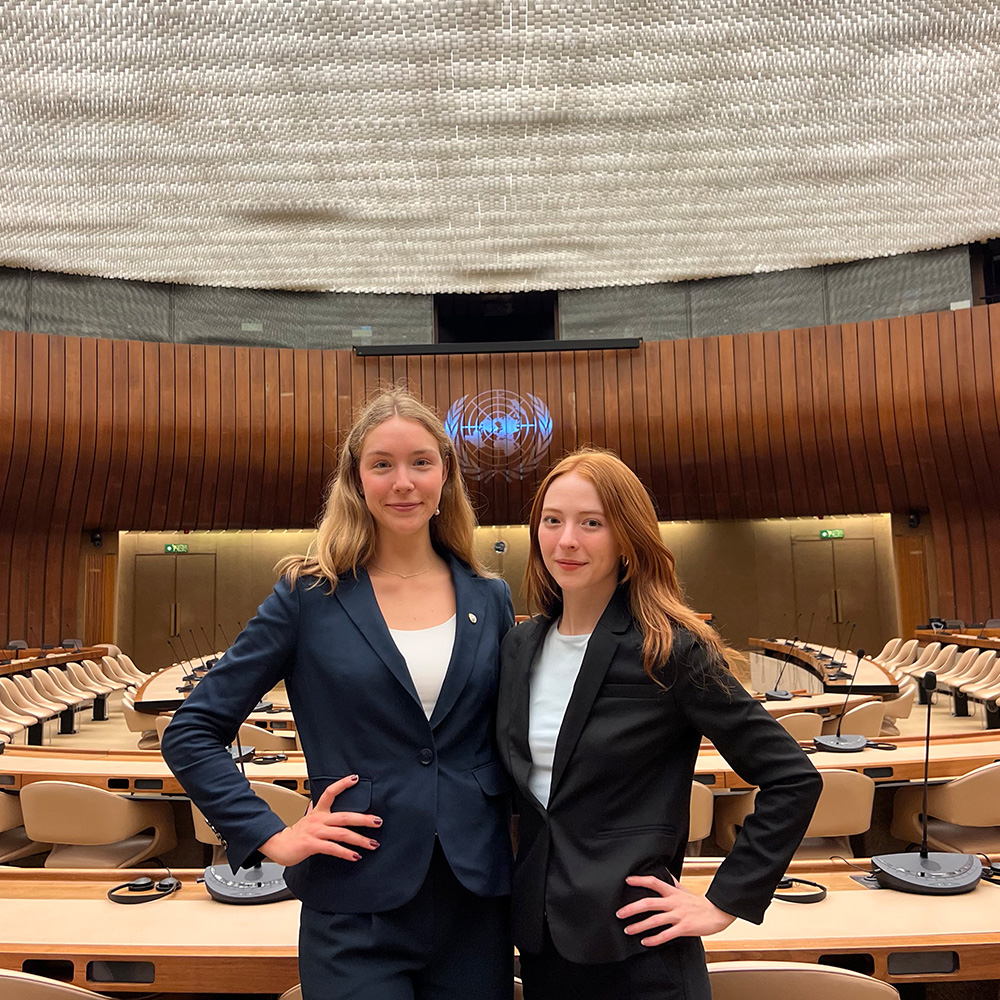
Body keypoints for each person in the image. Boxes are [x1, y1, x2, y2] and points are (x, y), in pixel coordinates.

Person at [161, 387, 515, 1000]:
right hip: (355, 901)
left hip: (474, 899)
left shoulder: (491, 597)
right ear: (356, 479)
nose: (403, 482)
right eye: (382, 464)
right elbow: (192, 732)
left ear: (445, 476)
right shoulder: (308, 596)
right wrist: (272, 836)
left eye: (421, 462)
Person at [496, 448, 822, 1000]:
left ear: (627, 536)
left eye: (591, 523)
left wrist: (724, 902)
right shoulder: (520, 645)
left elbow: (792, 778)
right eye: (552, 521)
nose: (566, 540)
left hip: (639, 947)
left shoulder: (669, 648)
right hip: (542, 943)